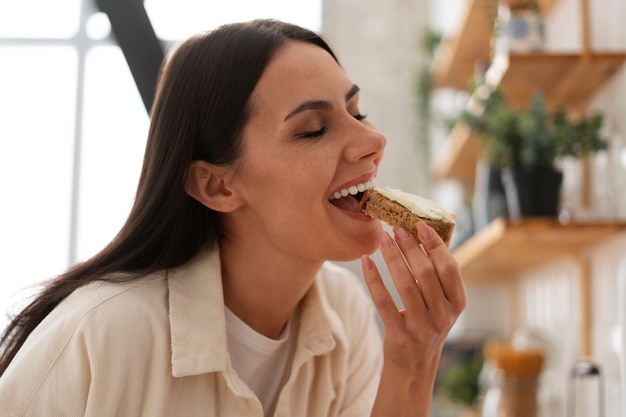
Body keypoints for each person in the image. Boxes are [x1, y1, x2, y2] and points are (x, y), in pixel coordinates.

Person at [0, 19, 466, 417]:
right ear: (217, 185)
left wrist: (413, 363)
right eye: (313, 129)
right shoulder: (100, 336)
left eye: (356, 110)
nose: (373, 139)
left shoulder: (345, 318)